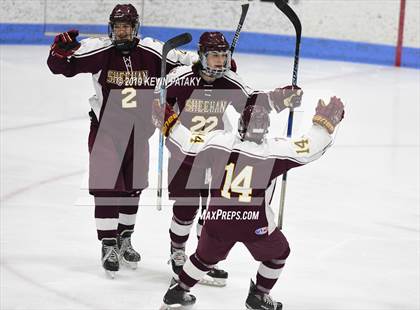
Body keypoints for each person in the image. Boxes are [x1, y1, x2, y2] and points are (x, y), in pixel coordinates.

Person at [47, 3, 197, 278]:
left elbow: (191, 64)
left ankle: (124, 238)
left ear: (135, 27)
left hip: (139, 134)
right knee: (107, 187)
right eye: (118, 27)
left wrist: (213, 61)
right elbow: (60, 67)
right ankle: (107, 243)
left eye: (127, 26)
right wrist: (59, 49)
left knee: (133, 187)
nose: (123, 31)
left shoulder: (153, 50)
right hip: (106, 132)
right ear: (111, 29)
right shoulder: (99, 49)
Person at [154, 96, 344, 309]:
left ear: (241, 126)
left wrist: (168, 121)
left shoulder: (219, 142)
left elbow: (187, 144)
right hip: (254, 224)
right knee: (278, 254)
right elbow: (309, 148)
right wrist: (323, 125)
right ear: (265, 130)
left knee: (203, 258)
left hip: (217, 221)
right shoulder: (274, 151)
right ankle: (259, 296)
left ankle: (178, 291)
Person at [160, 31, 303, 286]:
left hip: (216, 154)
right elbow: (158, 100)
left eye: (224, 56)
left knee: (212, 211)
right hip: (184, 152)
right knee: (185, 208)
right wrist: (160, 110)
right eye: (215, 55)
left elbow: (255, 102)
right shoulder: (180, 79)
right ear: (202, 56)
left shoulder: (229, 81)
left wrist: (280, 98)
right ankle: (178, 253)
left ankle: (203, 259)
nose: (220, 61)